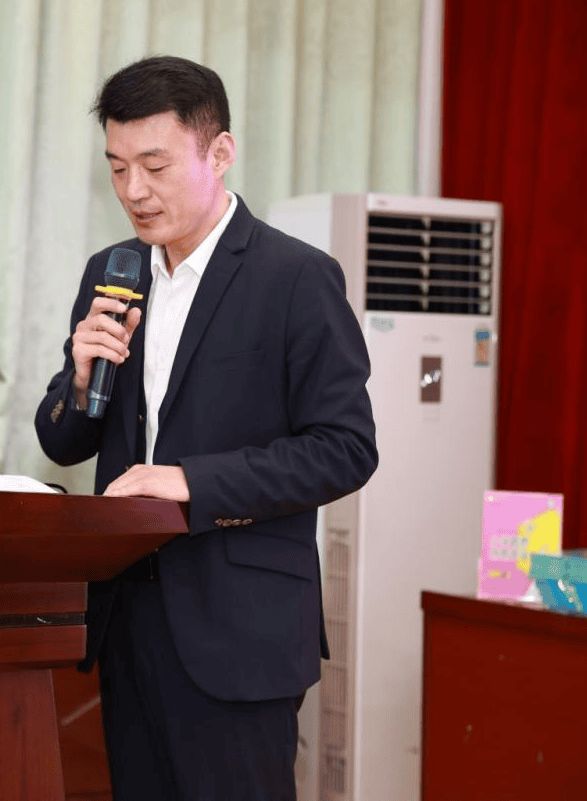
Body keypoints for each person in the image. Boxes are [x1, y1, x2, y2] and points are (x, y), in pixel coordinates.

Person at [34, 56, 378, 800]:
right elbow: (63, 440)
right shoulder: (113, 271)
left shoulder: (295, 278)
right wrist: (81, 379)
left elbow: (346, 448)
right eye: (117, 167)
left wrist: (191, 481)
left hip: (239, 633)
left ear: (219, 152)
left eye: (155, 166)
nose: (133, 190)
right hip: (128, 621)